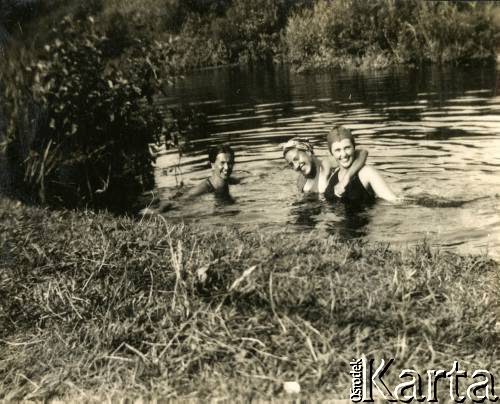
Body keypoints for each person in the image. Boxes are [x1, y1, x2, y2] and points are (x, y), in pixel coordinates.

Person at [324, 126, 399, 203]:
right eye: (337, 150)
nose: (343, 154)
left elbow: (394, 201)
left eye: (347, 148)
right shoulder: (333, 174)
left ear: (354, 147)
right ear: (331, 153)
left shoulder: (366, 172)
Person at [282, 137, 368, 195]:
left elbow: (362, 153)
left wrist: (346, 179)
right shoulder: (301, 182)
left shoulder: (327, 163)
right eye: (291, 164)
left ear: (308, 152)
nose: (296, 166)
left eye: (296, 159)